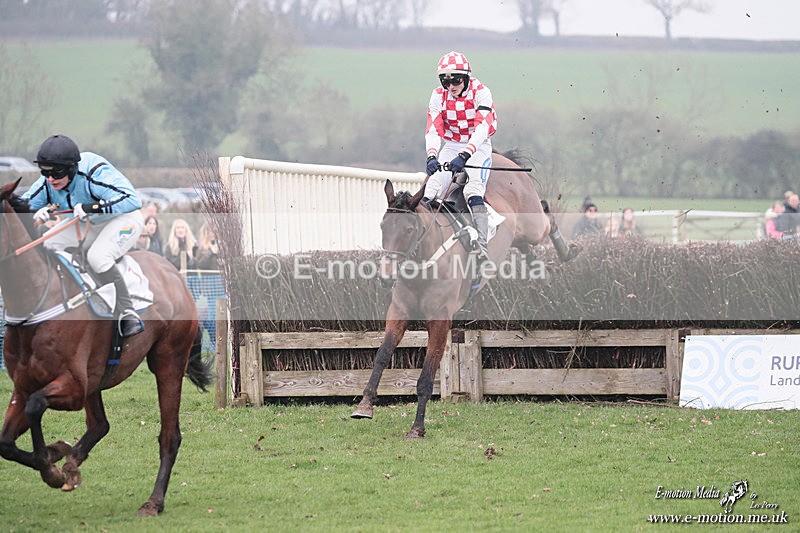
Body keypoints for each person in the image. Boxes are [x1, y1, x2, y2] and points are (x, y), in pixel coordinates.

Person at [23, 134, 144, 337]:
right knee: (47, 245)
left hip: (123, 219)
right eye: (46, 173)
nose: (51, 179)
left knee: (98, 257)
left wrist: (93, 207)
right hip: (86, 224)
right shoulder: (49, 180)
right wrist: (31, 213)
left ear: (71, 168)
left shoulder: (94, 171)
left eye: (56, 173)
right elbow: (20, 205)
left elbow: (132, 199)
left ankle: (127, 311)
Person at [422, 51, 497, 261]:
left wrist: (465, 155)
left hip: (478, 146)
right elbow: (434, 129)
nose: (450, 86)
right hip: (452, 145)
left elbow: (482, 128)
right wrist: (431, 156)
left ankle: (482, 248)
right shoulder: (438, 95)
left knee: (472, 190)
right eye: (445, 81)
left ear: (465, 77)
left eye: (455, 80)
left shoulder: (482, 92)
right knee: (432, 187)